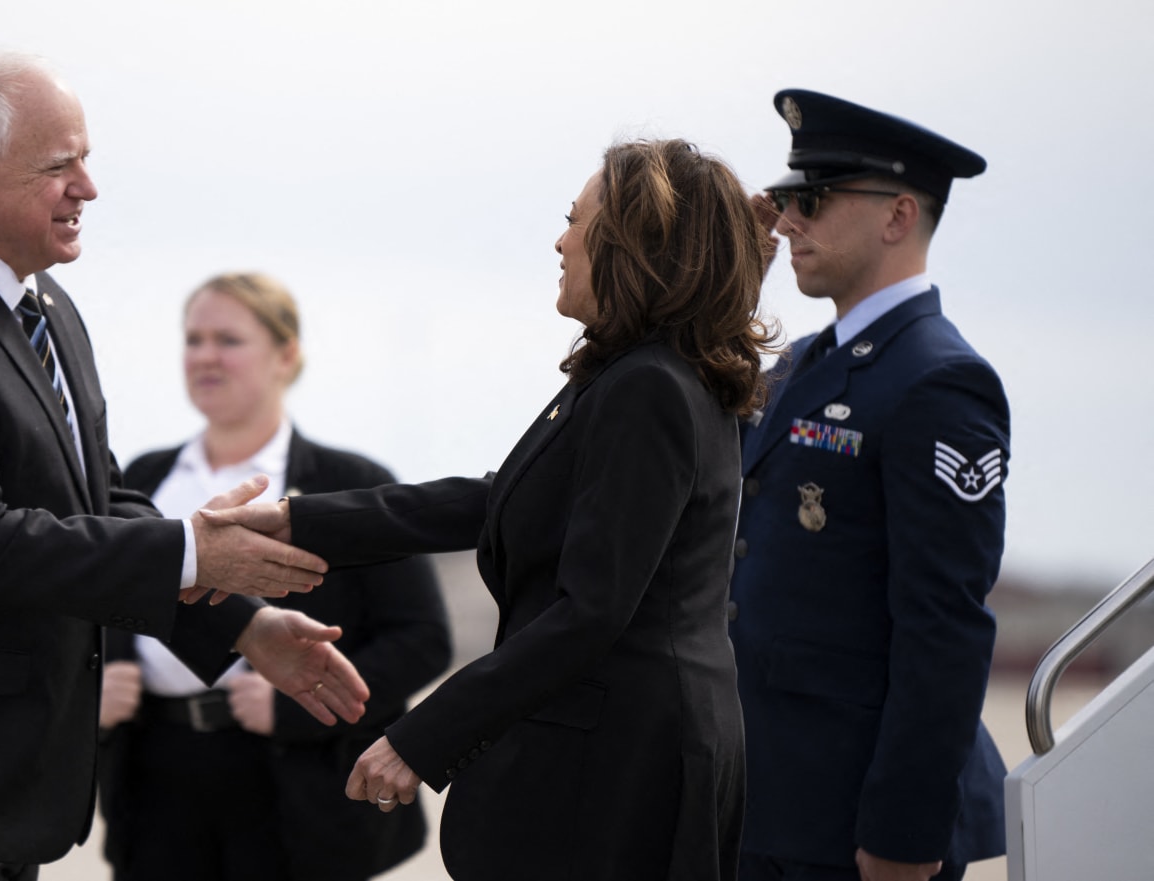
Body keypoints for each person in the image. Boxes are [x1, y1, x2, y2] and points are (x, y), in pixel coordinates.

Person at [0, 52, 370, 881]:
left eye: (85, 160)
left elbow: (99, 502)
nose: (88, 187)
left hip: (3, 794)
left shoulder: (46, 307)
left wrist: (242, 624)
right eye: (60, 166)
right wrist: (193, 551)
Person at [204, 139, 775, 881]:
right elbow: (498, 495)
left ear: (635, 244)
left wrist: (423, 736)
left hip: (620, 772)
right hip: (626, 753)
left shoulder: (649, 387)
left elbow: (592, 611)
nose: (561, 239)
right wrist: (300, 521)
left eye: (576, 219)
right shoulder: (644, 373)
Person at [728, 89, 1009, 881]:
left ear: (897, 216)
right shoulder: (806, 364)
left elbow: (944, 631)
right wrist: (733, 279)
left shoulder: (939, 382)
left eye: (811, 200)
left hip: (854, 827)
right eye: (786, 200)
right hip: (769, 803)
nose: (787, 223)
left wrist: (904, 837)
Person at [95, 272, 453, 881]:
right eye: (194, 339)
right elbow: (96, 597)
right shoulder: (143, 477)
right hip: (154, 773)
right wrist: (96, 690)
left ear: (285, 355)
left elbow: (423, 641)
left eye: (228, 340)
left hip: (298, 786)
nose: (205, 356)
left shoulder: (351, 480)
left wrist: (294, 705)